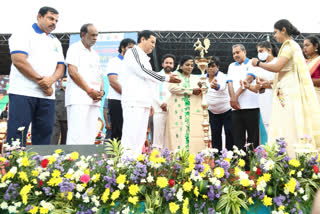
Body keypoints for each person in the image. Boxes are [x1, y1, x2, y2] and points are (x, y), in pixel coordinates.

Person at [251, 19, 320, 156]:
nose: (274, 36)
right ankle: (285, 157)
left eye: (276, 32)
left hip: (289, 92)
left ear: (283, 30)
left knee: (288, 124)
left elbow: (277, 67)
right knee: (285, 124)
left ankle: (292, 157)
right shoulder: (290, 46)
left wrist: (258, 63)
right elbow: (282, 73)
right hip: (284, 91)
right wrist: (269, 83)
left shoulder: (289, 46)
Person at [6, 7, 65, 145]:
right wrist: (42, 82)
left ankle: (40, 166)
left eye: (56, 20)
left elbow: (60, 67)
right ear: (39, 16)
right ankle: (14, 166)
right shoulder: (22, 33)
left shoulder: (55, 41)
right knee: (17, 135)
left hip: (47, 96)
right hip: (23, 93)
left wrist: (50, 81)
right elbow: (19, 60)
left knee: (45, 136)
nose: (54, 23)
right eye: (51, 18)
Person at [121, 30, 181, 158]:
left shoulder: (145, 58)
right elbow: (142, 71)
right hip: (133, 101)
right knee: (131, 136)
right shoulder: (133, 52)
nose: (154, 46)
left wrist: (150, 104)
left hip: (143, 102)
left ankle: (135, 166)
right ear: (143, 39)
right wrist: (166, 78)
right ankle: (125, 165)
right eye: (152, 42)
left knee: (140, 137)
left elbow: (149, 84)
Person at [65, 23, 104, 145]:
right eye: (92, 35)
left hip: (94, 100)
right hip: (79, 98)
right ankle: (72, 162)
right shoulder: (74, 49)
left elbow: (100, 76)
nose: (95, 38)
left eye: (96, 35)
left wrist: (101, 92)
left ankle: (86, 163)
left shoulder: (95, 54)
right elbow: (72, 72)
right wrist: (89, 91)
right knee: (76, 135)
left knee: (90, 135)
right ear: (83, 34)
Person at [166, 55, 206, 154]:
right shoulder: (175, 75)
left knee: (191, 133)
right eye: (187, 65)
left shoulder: (195, 78)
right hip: (177, 110)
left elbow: (203, 91)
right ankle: (178, 158)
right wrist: (191, 91)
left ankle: (192, 157)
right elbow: (172, 88)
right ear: (181, 65)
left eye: (192, 65)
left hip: (191, 112)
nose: (190, 67)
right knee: (178, 133)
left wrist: (204, 88)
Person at [227, 44, 260, 155]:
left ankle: (252, 165)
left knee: (253, 138)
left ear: (244, 52)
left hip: (251, 106)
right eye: (234, 53)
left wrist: (235, 97)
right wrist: (232, 99)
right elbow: (230, 83)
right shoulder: (231, 66)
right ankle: (241, 165)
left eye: (238, 52)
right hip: (236, 108)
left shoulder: (252, 63)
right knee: (238, 138)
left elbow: (249, 80)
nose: (235, 55)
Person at [242, 41, 278, 134]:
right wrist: (248, 86)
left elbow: (280, 81)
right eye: (258, 51)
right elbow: (256, 88)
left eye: (261, 51)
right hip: (263, 100)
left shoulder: (277, 62)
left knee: (277, 126)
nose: (259, 54)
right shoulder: (260, 67)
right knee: (267, 125)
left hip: (275, 98)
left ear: (269, 50)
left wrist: (265, 84)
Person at [107, 38, 136, 141]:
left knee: (129, 132)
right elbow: (113, 82)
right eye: (130, 48)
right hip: (116, 101)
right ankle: (116, 156)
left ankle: (128, 157)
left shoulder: (133, 64)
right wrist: (127, 95)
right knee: (117, 131)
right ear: (122, 48)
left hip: (130, 102)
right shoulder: (114, 61)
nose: (132, 51)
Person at [206, 57, 233, 151]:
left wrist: (216, 86)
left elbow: (220, 87)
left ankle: (230, 157)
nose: (210, 68)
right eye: (208, 66)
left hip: (226, 110)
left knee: (229, 133)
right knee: (215, 134)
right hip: (212, 112)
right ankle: (217, 158)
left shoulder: (222, 76)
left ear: (218, 67)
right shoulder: (203, 78)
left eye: (213, 66)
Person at [152, 54, 175, 150]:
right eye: (166, 63)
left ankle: (169, 162)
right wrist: (161, 104)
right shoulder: (156, 76)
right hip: (159, 111)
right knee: (158, 138)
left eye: (171, 63)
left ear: (173, 65)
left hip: (173, 111)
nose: (168, 65)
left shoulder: (176, 77)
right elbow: (152, 92)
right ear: (162, 64)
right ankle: (157, 162)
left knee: (170, 138)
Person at [51, 76, 68, 145]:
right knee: (54, 137)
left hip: (67, 118)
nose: (65, 82)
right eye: (64, 80)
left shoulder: (71, 93)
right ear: (60, 81)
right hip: (56, 118)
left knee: (65, 138)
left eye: (67, 81)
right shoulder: (56, 92)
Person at [303, 35, 320, 102]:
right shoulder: (305, 62)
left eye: (307, 45)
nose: (304, 48)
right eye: (304, 46)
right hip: (305, 96)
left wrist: (304, 81)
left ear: (316, 46)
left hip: (317, 97)